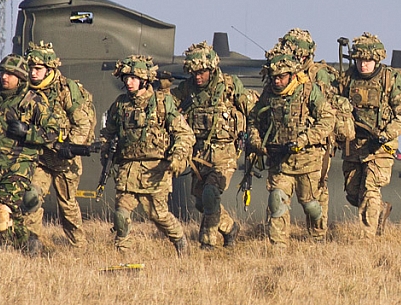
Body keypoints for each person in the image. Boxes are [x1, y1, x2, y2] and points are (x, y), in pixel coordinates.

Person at [100, 55, 196, 254]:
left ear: (145, 80)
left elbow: (184, 134)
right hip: (129, 168)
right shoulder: (120, 105)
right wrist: (106, 150)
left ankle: (180, 242)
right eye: (126, 78)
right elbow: (108, 133)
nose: (129, 82)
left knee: (158, 215)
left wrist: (177, 158)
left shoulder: (162, 102)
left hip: (156, 169)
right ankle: (122, 254)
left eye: (133, 78)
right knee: (120, 214)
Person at [265, 28, 352, 240]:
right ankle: (278, 246)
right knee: (278, 198)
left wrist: (308, 136)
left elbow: (329, 111)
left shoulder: (320, 75)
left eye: (299, 54)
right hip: (284, 149)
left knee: (314, 199)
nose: (296, 57)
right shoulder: (278, 75)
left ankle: (317, 237)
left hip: (315, 146)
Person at [171, 41, 256, 249]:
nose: (198, 77)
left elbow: (252, 110)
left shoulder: (229, 86)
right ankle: (229, 227)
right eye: (194, 73)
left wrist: (255, 138)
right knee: (202, 202)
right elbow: (168, 105)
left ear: (211, 69)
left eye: (201, 72)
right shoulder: (188, 89)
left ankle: (207, 244)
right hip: (199, 156)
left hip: (224, 154)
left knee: (210, 193)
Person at [249, 52, 336, 247]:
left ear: (292, 75)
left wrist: (304, 140)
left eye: (281, 77)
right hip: (280, 162)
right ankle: (278, 247)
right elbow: (254, 120)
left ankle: (317, 241)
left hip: (308, 161)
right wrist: (257, 142)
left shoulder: (308, 91)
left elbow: (328, 120)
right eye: (274, 77)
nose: (277, 81)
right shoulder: (268, 94)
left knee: (312, 207)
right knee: (276, 202)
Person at [335, 33, 401, 237]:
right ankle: (380, 210)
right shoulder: (347, 78)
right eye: (360, 60)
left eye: (368, 60)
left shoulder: (390, 79)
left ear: (377, 59)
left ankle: (366, 240)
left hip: (381, 146)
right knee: (354, 194)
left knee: (370, 191)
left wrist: (385, 135)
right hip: (354, 144)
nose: (364, 65)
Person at [0, 54, 62, 254]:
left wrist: (28, 132)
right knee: (8, 218)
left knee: (2, 210)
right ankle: (28, 247)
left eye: (10, 73)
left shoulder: (33, 102)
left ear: (21, 77)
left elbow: (53, 132)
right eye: (2, 73)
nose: (4, 77)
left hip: (20, 164)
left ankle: (12, 250)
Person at [22, 41, 97, 247]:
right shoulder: (28, 91)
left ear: (50, 69)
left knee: (67, 207)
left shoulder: (67, 90)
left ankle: (79, 246)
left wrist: (70, 146)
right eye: (31, 69)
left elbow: (83, 124)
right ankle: (32, 243)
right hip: (41, 158)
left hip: (65, 160)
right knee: (31, 197)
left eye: (37, 69)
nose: (33, 73)